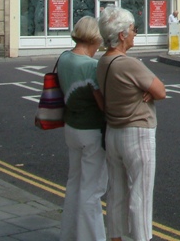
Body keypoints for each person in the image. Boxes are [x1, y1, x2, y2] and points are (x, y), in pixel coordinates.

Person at [97, 7, 167, 241]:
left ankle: (114, 238)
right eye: (132, 29)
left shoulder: (103, 62)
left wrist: (145, 91)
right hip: (137, 132)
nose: (135, 33)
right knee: (141, 195)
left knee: (116, 193)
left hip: (113, 133)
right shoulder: (128, 63)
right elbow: (160, 91)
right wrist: (146, 92)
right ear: (121, 35)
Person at [56, 16, 107, 241]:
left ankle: (70, 235)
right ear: (94, 38)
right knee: (92, 191)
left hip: (71, 128)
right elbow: (103, 104)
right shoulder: (91, 66)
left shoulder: (64, 58)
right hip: (91, 131)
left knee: (74, 183)